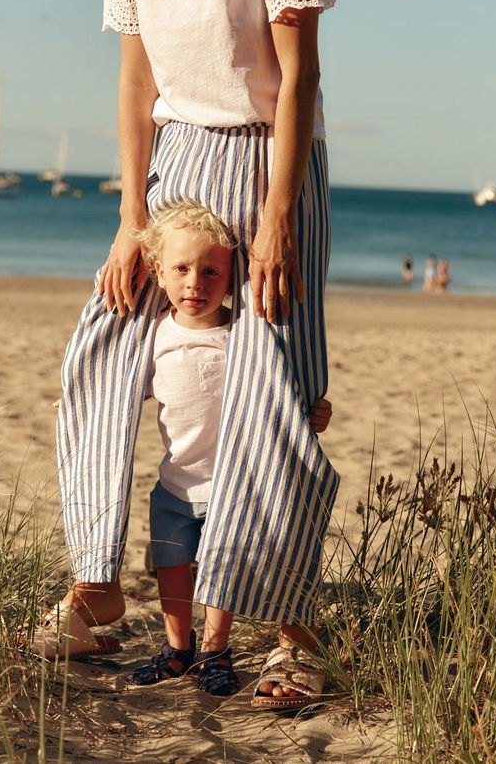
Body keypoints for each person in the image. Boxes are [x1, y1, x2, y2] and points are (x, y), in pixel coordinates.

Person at [33, 0, 338, 710]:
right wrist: (131, 216)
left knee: (276, 384)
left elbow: (299, 73)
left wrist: (278, 215)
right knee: (102, 345)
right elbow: (136, 83)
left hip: (267, 157)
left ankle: (293, 637)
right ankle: (96, 588)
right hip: (172, 166)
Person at [122, 203, 331, 695]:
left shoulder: (243, 335)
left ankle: (215, 650)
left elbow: (277, 389)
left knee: (221, 569)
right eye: (182, 269)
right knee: (171, 568)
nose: (195, 283)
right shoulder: (155, 335)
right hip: (174, 483)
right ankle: (178, 648)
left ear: (233, 277)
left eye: (211, 272)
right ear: (160, 273)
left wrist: (312, 412)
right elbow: (125, 388)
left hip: (231, 485)